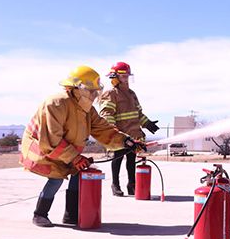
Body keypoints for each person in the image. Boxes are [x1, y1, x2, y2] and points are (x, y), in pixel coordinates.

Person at [20, 65, 146, 227]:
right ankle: (40, 214)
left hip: (67, 149)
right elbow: (51, 139)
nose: (95, 95)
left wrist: (126, 141)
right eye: (91, 91)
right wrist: (75, 157)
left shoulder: (86, 109)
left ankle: (71, 215)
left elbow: (103, 128)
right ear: (77, 88)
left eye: (96, 91)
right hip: (44, 147)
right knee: (56, 178)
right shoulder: (56, 104)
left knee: (77, 173)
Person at [99, 61, 159, 196]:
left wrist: (147, 123)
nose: (126, 79)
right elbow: (107, 114)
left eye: (127, 76)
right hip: (120, 134)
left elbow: (137, 114)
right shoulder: (111, 94)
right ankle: (115, 185)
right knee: (117, 158)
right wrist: (113, 132)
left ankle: (132, 185)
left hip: (133, 134)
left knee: (131, 160)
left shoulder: (131, 94)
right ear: (115, 77)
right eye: (124, 76)